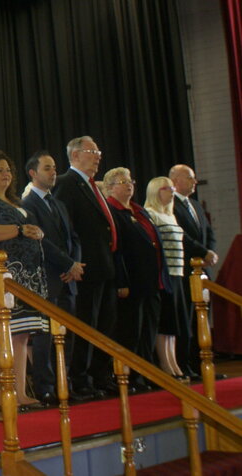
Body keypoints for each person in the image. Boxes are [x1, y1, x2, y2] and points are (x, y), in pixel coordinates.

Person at [0, 150, 48, 409]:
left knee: (21, 335)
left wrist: (35, 232)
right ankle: (0, 394)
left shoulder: (17, 203)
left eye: (8, 170)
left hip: (27, 278)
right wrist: (20, 230)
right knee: (0, 334)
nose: (6, 175)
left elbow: (23, 231)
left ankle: (20, 393)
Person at [53, 135, 118, 398]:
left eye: (98, 151)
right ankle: (81, 379)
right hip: (84, 268)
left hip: (104, 266)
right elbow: (63, 228)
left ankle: (101, 375)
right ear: (75, 155)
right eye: (92, 151)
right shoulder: (67, 183)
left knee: (105, 325)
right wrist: (70, 261)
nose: (98, 156)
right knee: (85, 326)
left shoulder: (93, 185)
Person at [21, 151, 84, 405]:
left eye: (54, 168)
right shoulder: (27, 205)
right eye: (47, 168)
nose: (53, 172)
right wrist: (68, 264)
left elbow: (74, 238)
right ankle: (45, 387)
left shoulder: (59, 204)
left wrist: (74, 264)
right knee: (45, 336)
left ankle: (64, 384)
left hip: (68, 279)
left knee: (67, 335)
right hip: (46, 277)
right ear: (33, 173)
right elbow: (40, 242)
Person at [103, 168, 163, 392]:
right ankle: (131, 376)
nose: (129, 185)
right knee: (131, 331)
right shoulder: (112, 211)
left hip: (151, 280)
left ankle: (148, 373)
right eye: (122, 182)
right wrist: (122, 281)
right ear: (110, 188)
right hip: (131, 281)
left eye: (130, 181)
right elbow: (116, 250)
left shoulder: (139, 210)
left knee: (148, 330)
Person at [169, 164, 218, 378]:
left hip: (202, 270)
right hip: (185, 271)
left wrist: (210, 253)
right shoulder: (171, 205)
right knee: (187, 318)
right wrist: (202, 253)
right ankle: (186, 364)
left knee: (203, 317)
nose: (194, 181)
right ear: (176, 181)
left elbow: (209, 232)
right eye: (190, 178)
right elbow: (181, 236)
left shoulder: (195, 205)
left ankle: (203, 363)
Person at [144, 176, 191, 382]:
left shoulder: (170, 215)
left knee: (175, 321)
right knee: (165, 319)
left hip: (178, 272)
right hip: (164, 273)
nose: (171, 193)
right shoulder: (151, 214)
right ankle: (165, 363)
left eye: (172, 189)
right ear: (156, 191)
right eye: (167, 189)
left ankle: (174, 362)